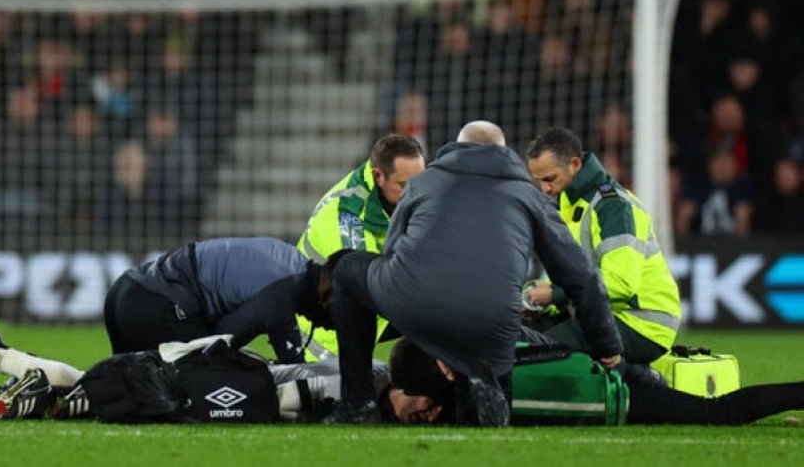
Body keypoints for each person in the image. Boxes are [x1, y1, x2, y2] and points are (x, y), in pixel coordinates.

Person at [325, 121, 622, 426]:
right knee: (485, 393)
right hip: (492, 323)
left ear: (457, 147)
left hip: (417, 304)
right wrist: (606, 345)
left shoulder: (421, 184)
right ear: (504, 153)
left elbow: (392, 255)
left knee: (346, 270)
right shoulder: (531, 197)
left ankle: (358, 403)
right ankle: (480, 386)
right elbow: (582, 277)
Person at [0, 329, 431, 424]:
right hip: (213, 379)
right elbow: (282, 400)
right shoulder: (357, 384)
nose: (430, 415)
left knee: (89, 389)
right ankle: (5, 361)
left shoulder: (371, 377)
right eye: (428, 403)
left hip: (219, 369)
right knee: (97, 400)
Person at [525, 127, 682, 366]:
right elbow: (567, 277)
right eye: (539, 181)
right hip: (597, 312)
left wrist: (554, 294)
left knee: (538, 351)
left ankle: (638, 377)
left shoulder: (614, 208)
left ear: (574, 164)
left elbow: (621, 284)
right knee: (516, 337)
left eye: (549, 179)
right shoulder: (567, 204)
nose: (545, 189)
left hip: (642, 321)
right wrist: (539, 304)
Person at [389, 337, 804, 427]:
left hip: (612, 389)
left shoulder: (474, 399)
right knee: (712, 411)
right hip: (604, 372)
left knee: (717, 413)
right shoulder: (482, 345)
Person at [103, 237, 341, 363]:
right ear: (327, 290)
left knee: (123, 381)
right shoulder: (289, 288)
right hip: (157, 302)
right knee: (213, 378)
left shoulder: (289, 260)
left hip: (127, 291)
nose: (332, 324)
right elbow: (219, 341)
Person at [296, 134, 426, 360]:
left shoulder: (385, 194)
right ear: (379, 176)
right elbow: (371, 292)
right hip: (324, 337)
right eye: (405, 185)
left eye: (420, 182)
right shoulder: (349, 220)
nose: (416, 192)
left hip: (360, 305)